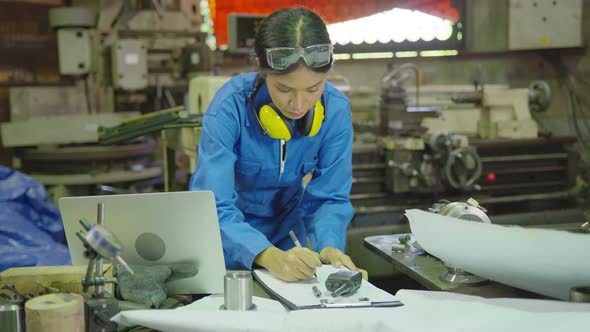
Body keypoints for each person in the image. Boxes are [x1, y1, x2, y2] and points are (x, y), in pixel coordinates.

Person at [189, 7, 367, 282]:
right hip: (226, 242)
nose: (298, 105)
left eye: (313, 89)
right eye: (284, 89)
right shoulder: (230, 107)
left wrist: (328, 245)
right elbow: (213, 204)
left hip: (289, 242)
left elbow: (330, 197)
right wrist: (265, 254)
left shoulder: (336, 109)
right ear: (262, 66)